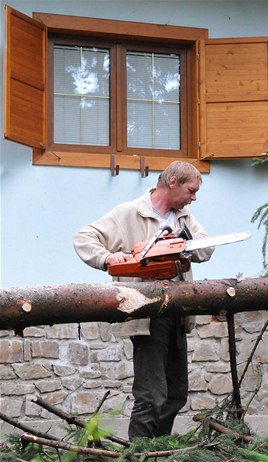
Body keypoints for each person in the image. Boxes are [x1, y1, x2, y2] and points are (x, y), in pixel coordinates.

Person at [74, 161, 214, 439]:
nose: (194, 197)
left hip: (178, 311)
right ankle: (139, 452)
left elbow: (206, 247)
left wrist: (181, 243)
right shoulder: (130, 212)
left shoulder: (184, 217)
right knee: (151, 396)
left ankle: (157, 451)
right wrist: (108, 257)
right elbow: (84, 237)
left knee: (175, 394)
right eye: (191, 190)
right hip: (147, 315)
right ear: (172, 181)